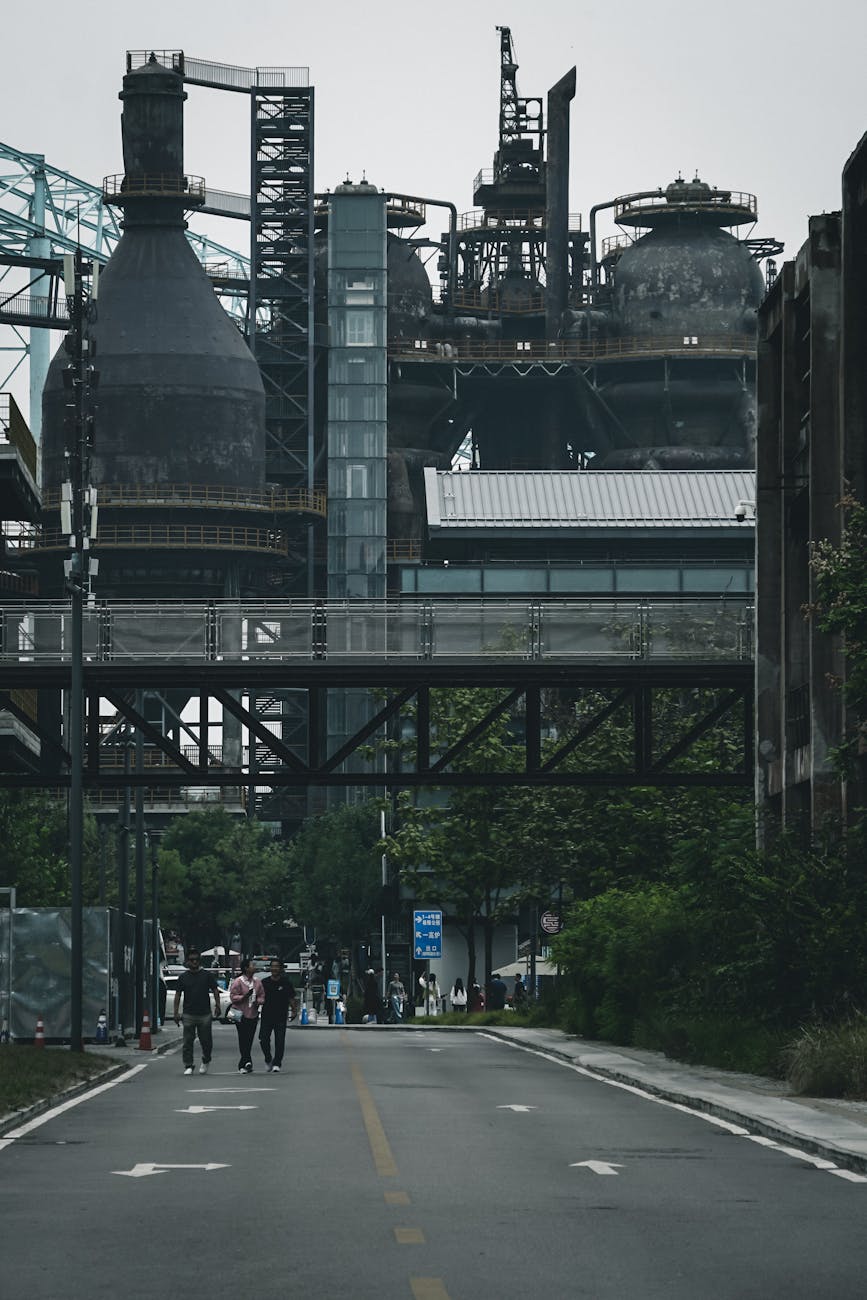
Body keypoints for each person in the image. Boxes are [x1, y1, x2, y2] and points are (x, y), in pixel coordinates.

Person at [173, 949, 221, 1076]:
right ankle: (188, 1064)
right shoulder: (183, 977)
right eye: (191, 960)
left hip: (204, 1013)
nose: (194, 962)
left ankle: (206, 1059)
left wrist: (218, 1005)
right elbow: (178, 995)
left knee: (206, 1040)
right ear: (187, 962)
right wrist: (176, 1012)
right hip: (188, 1013)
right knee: (188, 1041)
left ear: (199, 961)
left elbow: (215, 990)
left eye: (196, 960)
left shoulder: (206, 975)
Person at [258, 957, 297, 1073]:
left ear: (281, 968)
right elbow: (258, 997)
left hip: (281, 1015)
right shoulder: (264, 982)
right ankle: (268, 1058)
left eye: (277, 966)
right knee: (263, 1039)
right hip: (266, 1015)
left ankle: (277, 1063)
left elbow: (291, 998)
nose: (274, 968)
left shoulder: (286, 982)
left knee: (279, 1041)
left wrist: (294, 1010)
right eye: (272, 966)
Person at [229, 956, 264, 1073]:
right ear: (245, 968)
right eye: (251, 965)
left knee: (249, 1038)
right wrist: (244, 996)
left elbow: (262, 996)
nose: (254, 967)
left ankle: (245, 1062)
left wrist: (258, 1001)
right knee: (242, 1038)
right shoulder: (238, 982)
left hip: (253, 1013)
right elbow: (233, 997)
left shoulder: (257, 982)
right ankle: (245, 1063)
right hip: (240, 1014)